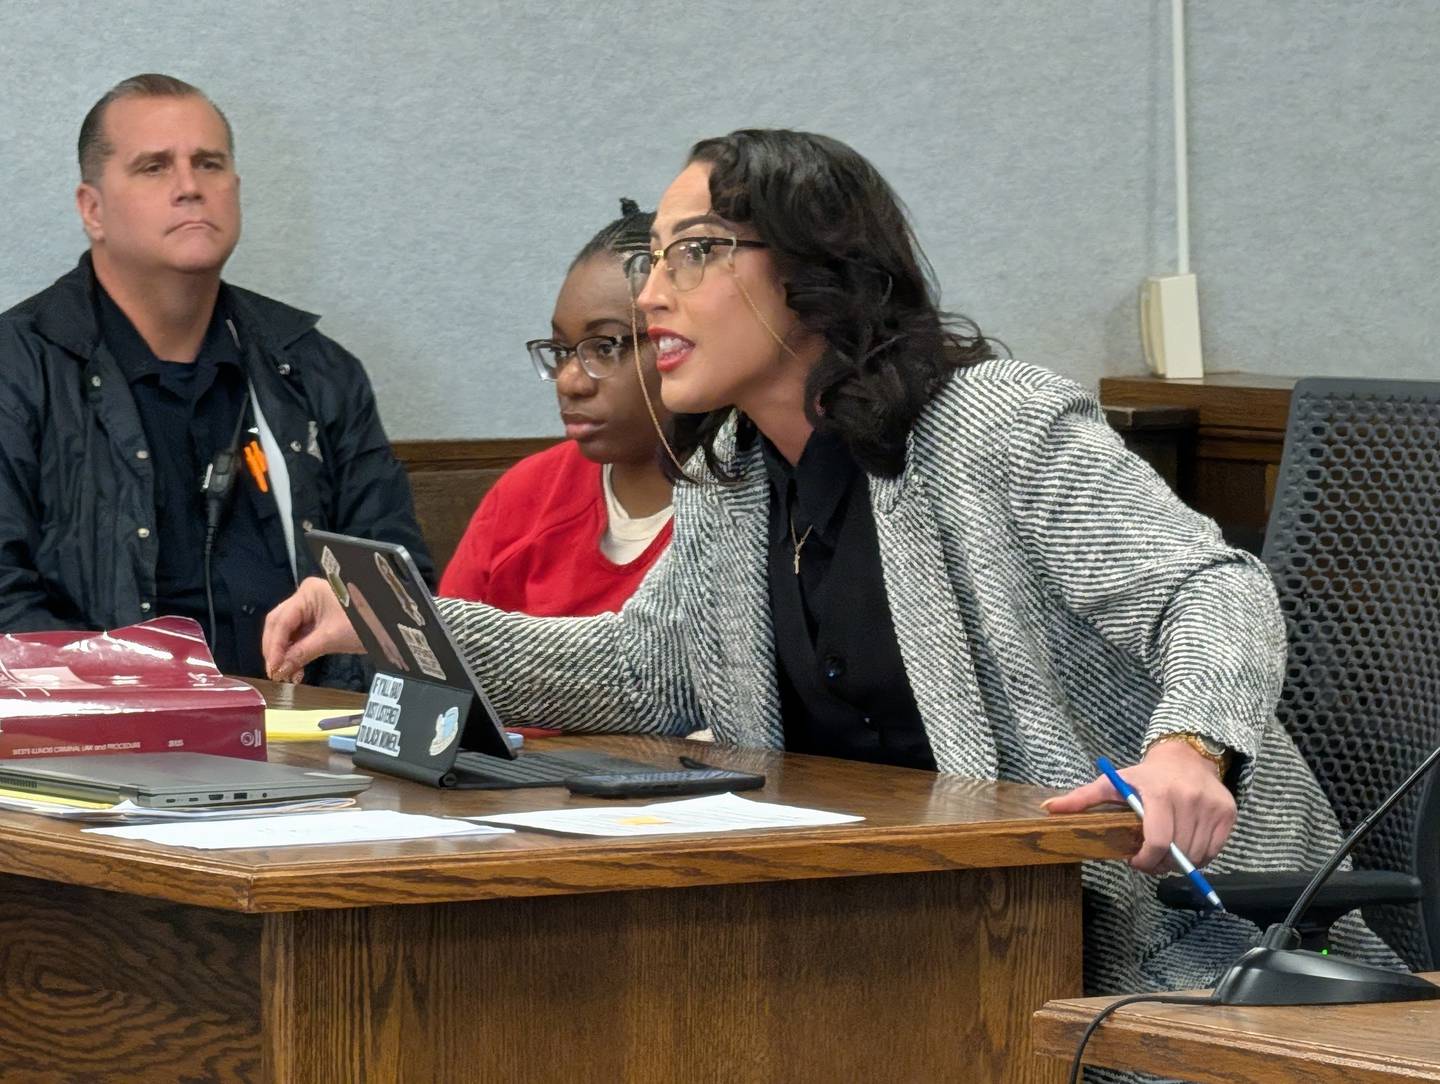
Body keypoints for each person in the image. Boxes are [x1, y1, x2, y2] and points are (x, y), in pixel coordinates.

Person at [264, 129, 1397, 1003]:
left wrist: (1190, 748)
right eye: (655, 260)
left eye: (696, 254)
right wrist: (393, 626)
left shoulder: (991, 426)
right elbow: (648, 671)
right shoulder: (737, 473)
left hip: (1169, 924)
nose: (655, 292)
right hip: (903, 925)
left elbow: (1213, 588)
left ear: (818, 274)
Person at [0, 74, 430, 683]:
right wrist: (151, 704)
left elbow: (398, 592)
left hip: (313, 741)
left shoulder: (316, 370)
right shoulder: (18, 369)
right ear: (92, 210)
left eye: (208, 164)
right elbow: (4, 609)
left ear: (235, 188)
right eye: (154, 167)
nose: (189, 188)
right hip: (103, 743)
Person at [438, 199, 673, 615]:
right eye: (562, 351)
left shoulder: (746, 504)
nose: (570, 380)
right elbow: (448, 667)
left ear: (679, 341)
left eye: (605, 347)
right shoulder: (528, 492)